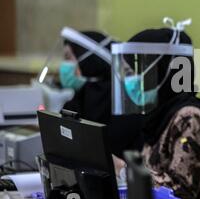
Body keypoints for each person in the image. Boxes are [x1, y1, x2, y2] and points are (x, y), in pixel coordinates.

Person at [111, 20, 200, 199]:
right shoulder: (159, 116)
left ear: (163, 72)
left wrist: (123, 170)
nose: (130, 81)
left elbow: (177, 192)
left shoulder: (189, 118)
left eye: (134, 73)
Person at [58, 27, 144, 157]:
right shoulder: (81, 98)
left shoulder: (124, 103)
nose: (65, 64)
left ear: (87, 59)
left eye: (69, 57)